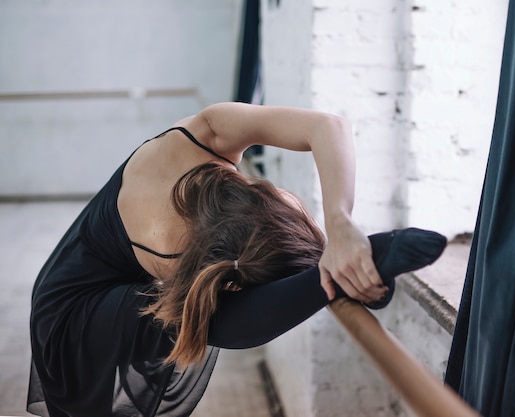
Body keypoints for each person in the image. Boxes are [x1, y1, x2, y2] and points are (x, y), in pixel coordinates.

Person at [28, 102, 447, 417]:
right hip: (69, 314)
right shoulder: (169, 245)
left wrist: (339, 224)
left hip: (95, 273)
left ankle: (346, 269)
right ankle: (345, 271)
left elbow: (329, 126)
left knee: (213, 305)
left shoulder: (206, 133)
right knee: (209, 317)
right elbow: (235, 317)